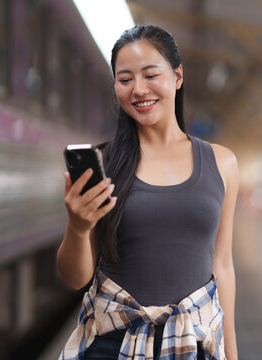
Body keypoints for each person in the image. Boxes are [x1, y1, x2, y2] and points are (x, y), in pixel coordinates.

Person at [57, 25, 239, 360]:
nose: (139, 89)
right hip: (113, 343)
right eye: (125, 80)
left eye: (150, 75)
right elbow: (75, 278)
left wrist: (231, 354)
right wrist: (77, 227)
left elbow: (222, 265)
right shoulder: (103, 164)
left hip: (193, 343)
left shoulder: (221, 162)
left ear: (177, 76)